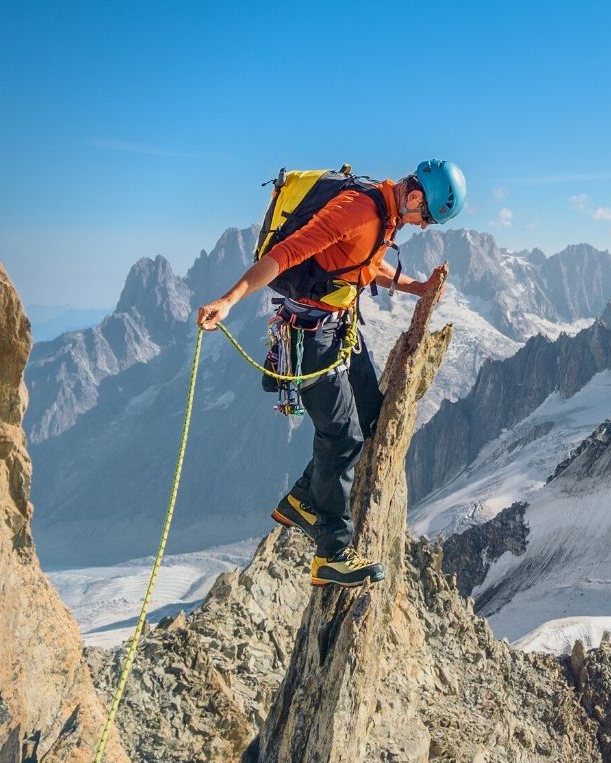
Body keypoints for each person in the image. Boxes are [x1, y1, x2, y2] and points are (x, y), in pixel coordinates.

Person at [197, 160, 465, 587]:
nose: (425, 227)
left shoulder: (384, 212)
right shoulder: (358, 210)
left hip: (340, 326)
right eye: (428, 217)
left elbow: (358, 263)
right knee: (342, 436)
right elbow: (284, 256)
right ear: (415, 197)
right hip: (311, 338)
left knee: (371, 413)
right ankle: (332, 552)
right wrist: (228, 300)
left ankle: (303, 499)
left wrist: (416, 288)